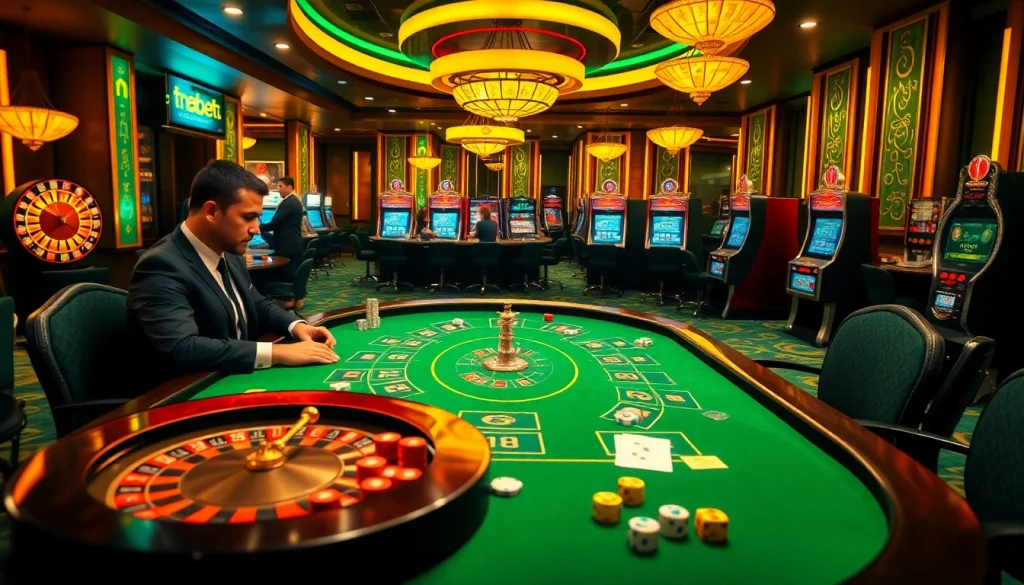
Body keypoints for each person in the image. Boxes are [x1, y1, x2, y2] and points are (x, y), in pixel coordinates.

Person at [127, 160, 339, 387]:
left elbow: (257, 303)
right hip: (188, 395)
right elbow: (183, 348)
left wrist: (297, 326)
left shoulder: (229, 252)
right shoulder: (161, 265)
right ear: (211, 211)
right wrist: (278, 352)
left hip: (234, 377)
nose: (256, 228)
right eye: (248, 217)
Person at [260, 176, 304, 276]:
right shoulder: (294, 200)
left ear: (289, 187)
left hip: (288, 246)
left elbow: (274, 223)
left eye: (280, 186)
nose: (278, 189)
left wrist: (258, 227)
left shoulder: (288, 203)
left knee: (285, 275)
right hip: (293, 244)